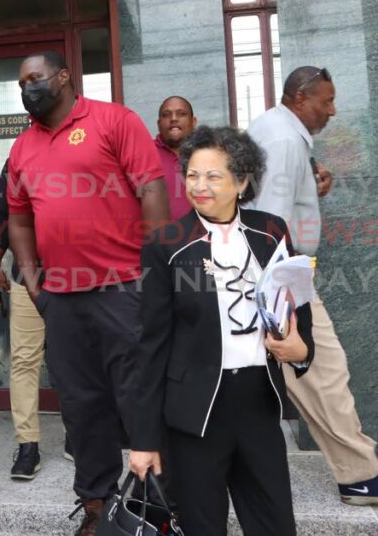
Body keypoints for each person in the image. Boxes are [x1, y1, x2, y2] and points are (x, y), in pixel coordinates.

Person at [6, 52, 169, 536]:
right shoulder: (21, 148)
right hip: (61, 299)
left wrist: (157, 272)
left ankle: (153, 507)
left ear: (62, 77)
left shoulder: (114, 120)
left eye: (35, 78)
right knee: (80, 406)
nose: (27, 88)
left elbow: (152, 192)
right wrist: (34, 283)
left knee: (140, 398)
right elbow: (19, 219)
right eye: (21, 82)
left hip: (123, 289)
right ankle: (96, 504)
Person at [130, 125, 314, 535]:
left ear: (242, 180)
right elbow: (151, 347)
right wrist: (143, 440)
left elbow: (297, 303)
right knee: (202, 526)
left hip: (258, 405)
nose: (200, 186)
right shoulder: (167, 244)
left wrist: (301, 349)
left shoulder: (271, 231)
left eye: (213, 176)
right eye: (193, 175)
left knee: (275, 524)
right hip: (194, 412)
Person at [246, 66, 378, 505]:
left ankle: (359, 465)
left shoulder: (277, 127)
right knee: (323, 371)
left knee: (312, 373)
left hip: (278, 271)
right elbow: (269, 224)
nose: (333, 110)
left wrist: (310, 179)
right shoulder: (284, 139)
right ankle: (360, 473)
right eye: (327, 101)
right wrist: (286, 306)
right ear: (301, 99)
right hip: (283, 272)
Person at [0, 161, 45, 481]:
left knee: (77, 362)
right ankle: (28, 445)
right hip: (26, 277)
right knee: (24, 361)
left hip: (77, 278)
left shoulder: (79, 149)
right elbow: (0, 217)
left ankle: (77, 437)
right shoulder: (20, 157)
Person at [154, 96, 197, 219]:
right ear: (159, 124)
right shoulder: (144, 153)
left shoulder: (208, 153)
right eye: (166, 115)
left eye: (181, 114)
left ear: (193, 122)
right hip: (160, 236)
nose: (173, 119)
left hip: (205, 236)